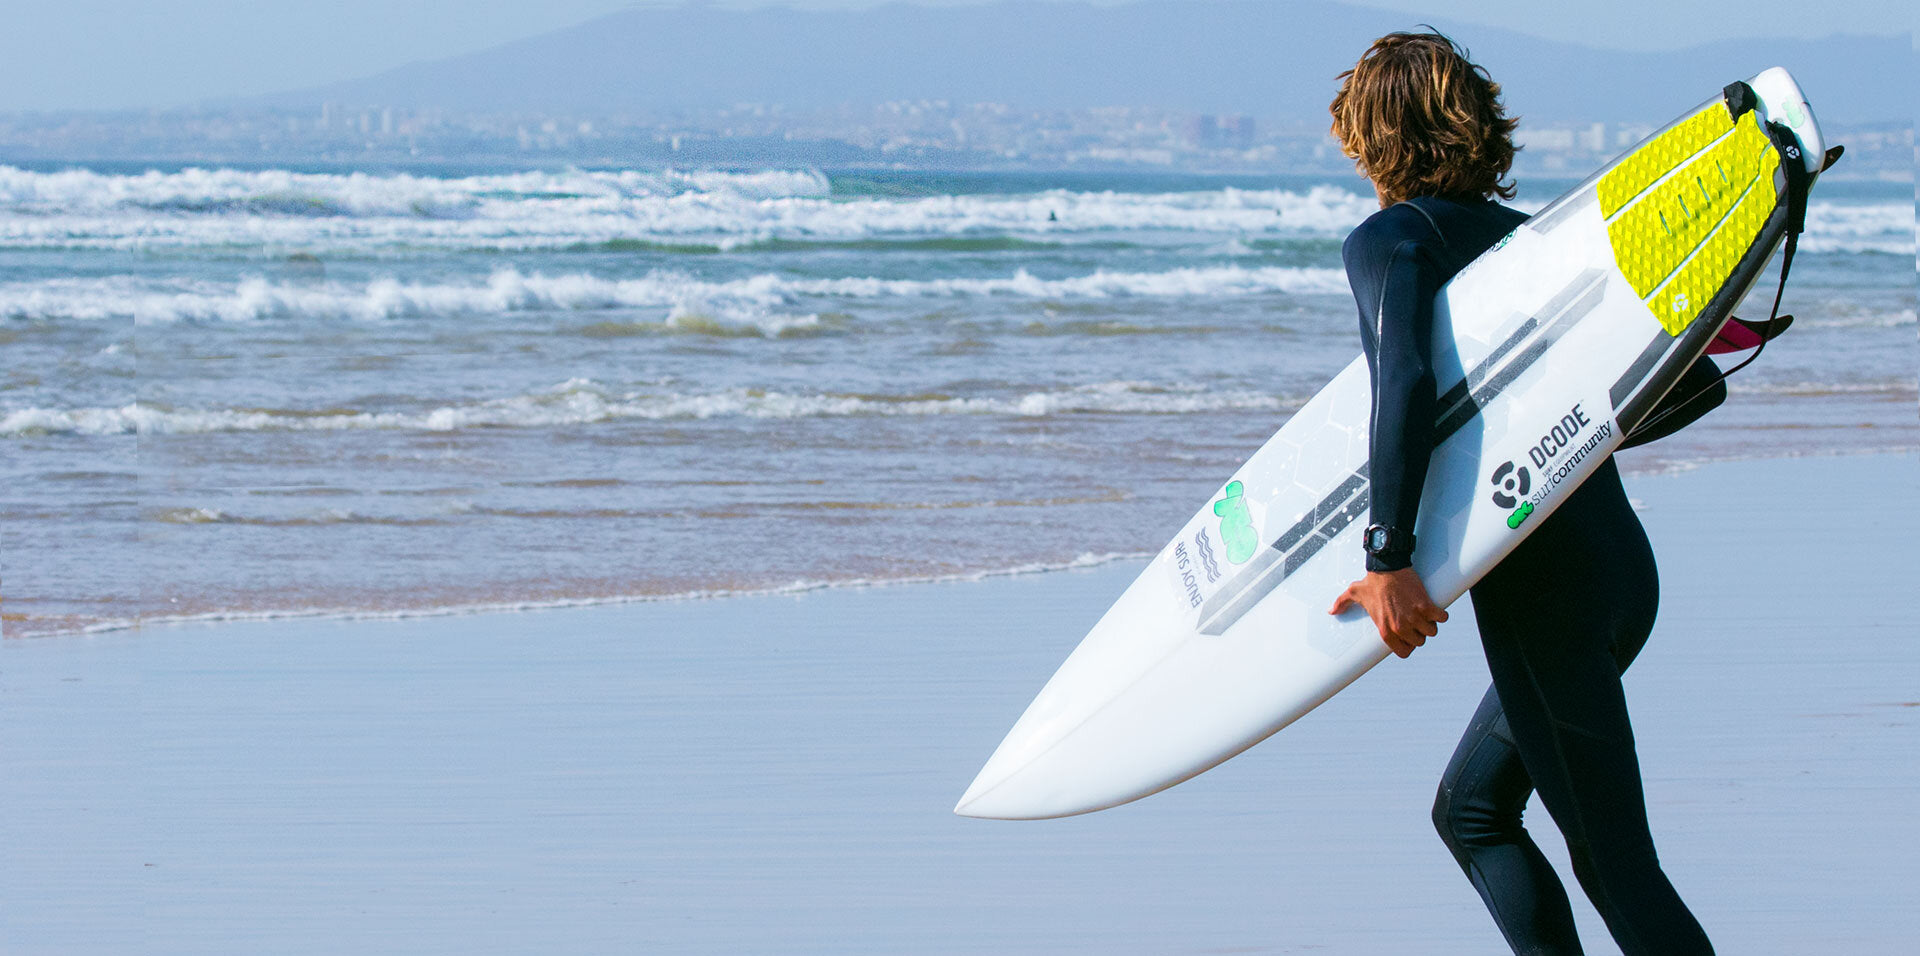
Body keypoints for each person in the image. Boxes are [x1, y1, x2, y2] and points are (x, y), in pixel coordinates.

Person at [1323, 32, 1716, 956]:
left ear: (1373, 135)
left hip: (1548, 595)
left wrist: (1389, 557)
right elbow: (1680, 389)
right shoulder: (1530, 242)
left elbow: (1404, 383)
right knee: (1471, 812)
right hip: (1618, 570)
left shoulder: (1390, 239)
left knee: (1616, 865)